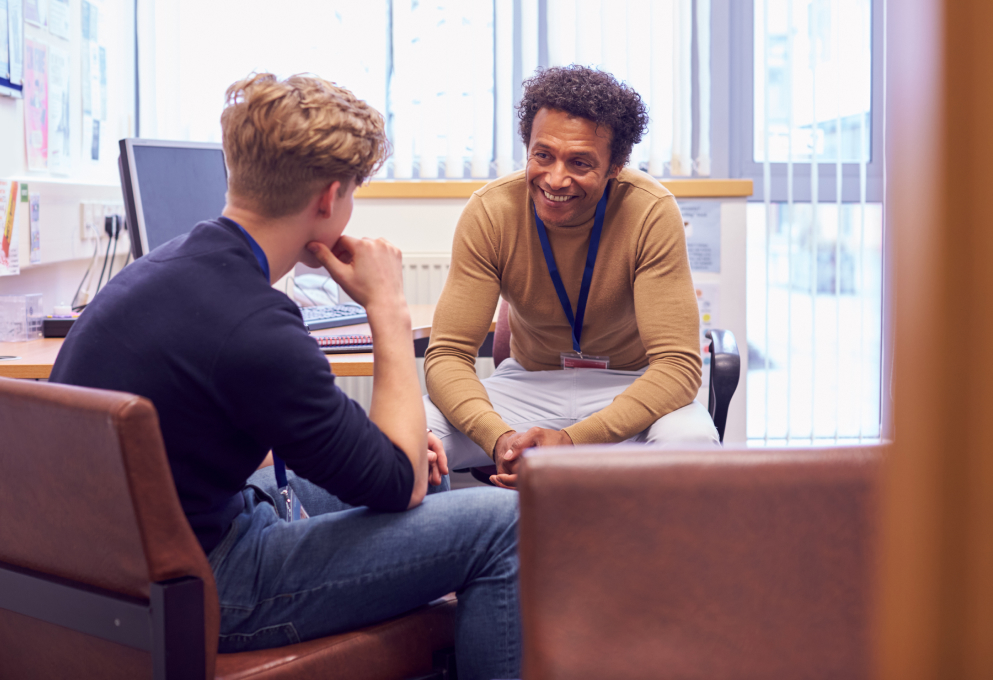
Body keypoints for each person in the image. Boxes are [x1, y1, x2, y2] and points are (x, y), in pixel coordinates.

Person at [50, 73, 520, 680]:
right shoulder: (255, 326)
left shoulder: (167, 266)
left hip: (122, 560)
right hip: (204, 583)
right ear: (329, 199)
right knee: (503, 525)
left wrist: (398, 462)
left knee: (433, 480)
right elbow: (396, 483)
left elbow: (380, 464)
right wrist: (389, 308)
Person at [424, 65, 719, 489]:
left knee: (692, 444)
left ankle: (651, 557)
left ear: (615, 165)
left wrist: (573, 441)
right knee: (409, 435)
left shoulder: (651, 211)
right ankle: (458, 549)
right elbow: (448, 355)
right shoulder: (491, 211)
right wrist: (501, 439)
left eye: (580, 162)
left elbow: (677, 367)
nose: (556, 179)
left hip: (629, 386)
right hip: (527, 386)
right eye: (543, 155)